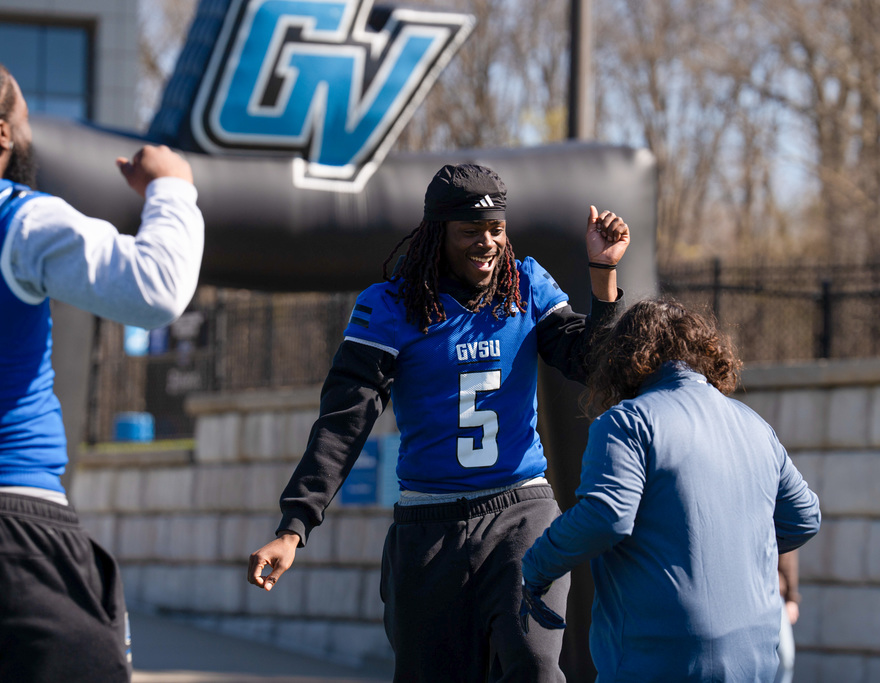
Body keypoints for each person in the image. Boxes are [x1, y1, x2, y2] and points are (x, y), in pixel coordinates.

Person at [248, 163, 629, 682]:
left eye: (496, 230)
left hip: (521, 512)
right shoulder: (389, 307)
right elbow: (343, 422)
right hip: (429, 528)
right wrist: (294, 526)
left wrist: (602, 277)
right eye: (470, 232)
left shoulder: (527, 285)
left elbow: (591, 362)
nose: (488, 243)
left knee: (536, 667)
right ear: (437, 233)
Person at [0, 64, 204, 682]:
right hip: (15, 530)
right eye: (26, 121)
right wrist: (172, 187)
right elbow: (156, 288)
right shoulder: (20, 220)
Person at [520, 300, 820, 682]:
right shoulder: (754, 424)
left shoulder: (627, 422)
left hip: (659, 656)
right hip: (755, 654)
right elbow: (805, 518)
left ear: (623, 358)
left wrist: (535, 565)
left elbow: (606, 517)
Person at [776, 550, 801, 683]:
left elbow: (789, 551)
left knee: (785, 657)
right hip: (746, 590)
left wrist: (791, 596)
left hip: (775, 593)